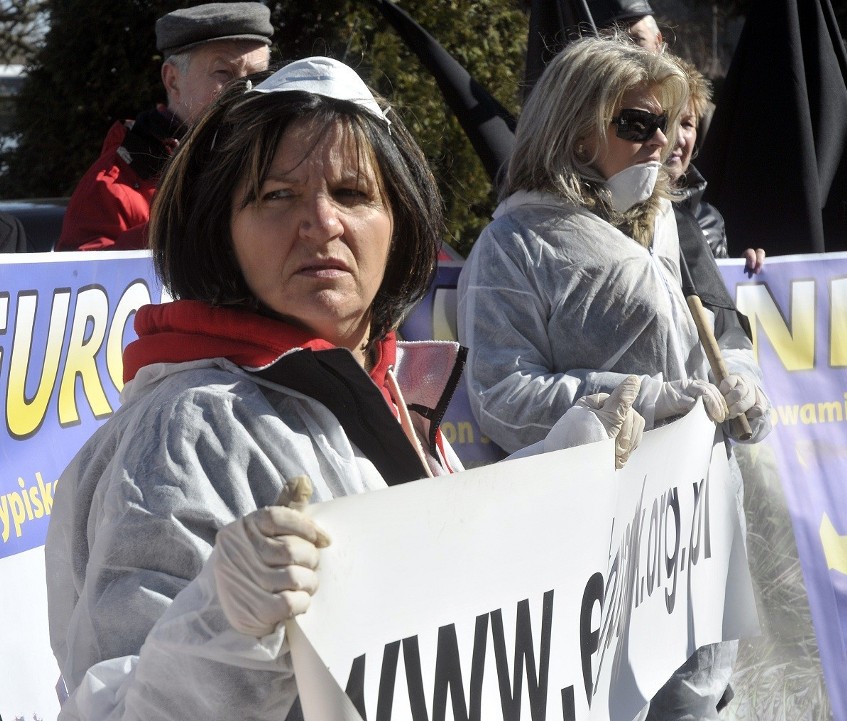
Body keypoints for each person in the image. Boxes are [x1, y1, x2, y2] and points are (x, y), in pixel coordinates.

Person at [46, 55, 645, 721]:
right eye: (277, 196)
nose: (321, 223)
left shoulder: (380, 383)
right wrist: (224, 625)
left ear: (401, 222)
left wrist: (573, 463)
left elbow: (443, 590)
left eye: (355, 194)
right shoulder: (186, 434)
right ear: (224, 229)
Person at [456, 35, 772, 720]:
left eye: (668, 122)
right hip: (596, 556)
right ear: (574, 131)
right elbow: (501, 397)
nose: (662, 142)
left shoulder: (668, 223)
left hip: (698, 535)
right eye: (637, 122)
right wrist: (638, 401)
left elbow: (721, 329)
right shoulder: (513, 246)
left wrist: (742, 379)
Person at [56, 2, 273, 252]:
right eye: (223, 72)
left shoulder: (281, 162)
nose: (245, 90)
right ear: (173, 80)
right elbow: (81, 280)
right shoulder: (111, 186)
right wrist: (180, 230)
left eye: (257, 76)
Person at [668, 57, 765, 274]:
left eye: (686, 124)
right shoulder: (614, 218)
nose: (678, 138)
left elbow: (719, 301)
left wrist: (743, 274)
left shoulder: (710, 220)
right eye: (665, 121)